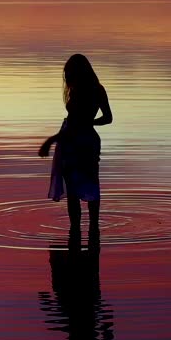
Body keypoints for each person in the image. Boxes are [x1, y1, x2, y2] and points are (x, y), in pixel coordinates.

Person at [39, 54, 112, 235]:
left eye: (68, 73)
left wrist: (50, 141)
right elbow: (108, 118)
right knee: (92, 183)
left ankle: (76, 232)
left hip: (73, 143)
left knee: (73, 190)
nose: (67, 78)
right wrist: (90, 123)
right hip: (89, 140)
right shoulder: (98, 89)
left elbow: (73, 125)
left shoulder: (79, 91)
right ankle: (94, 231)